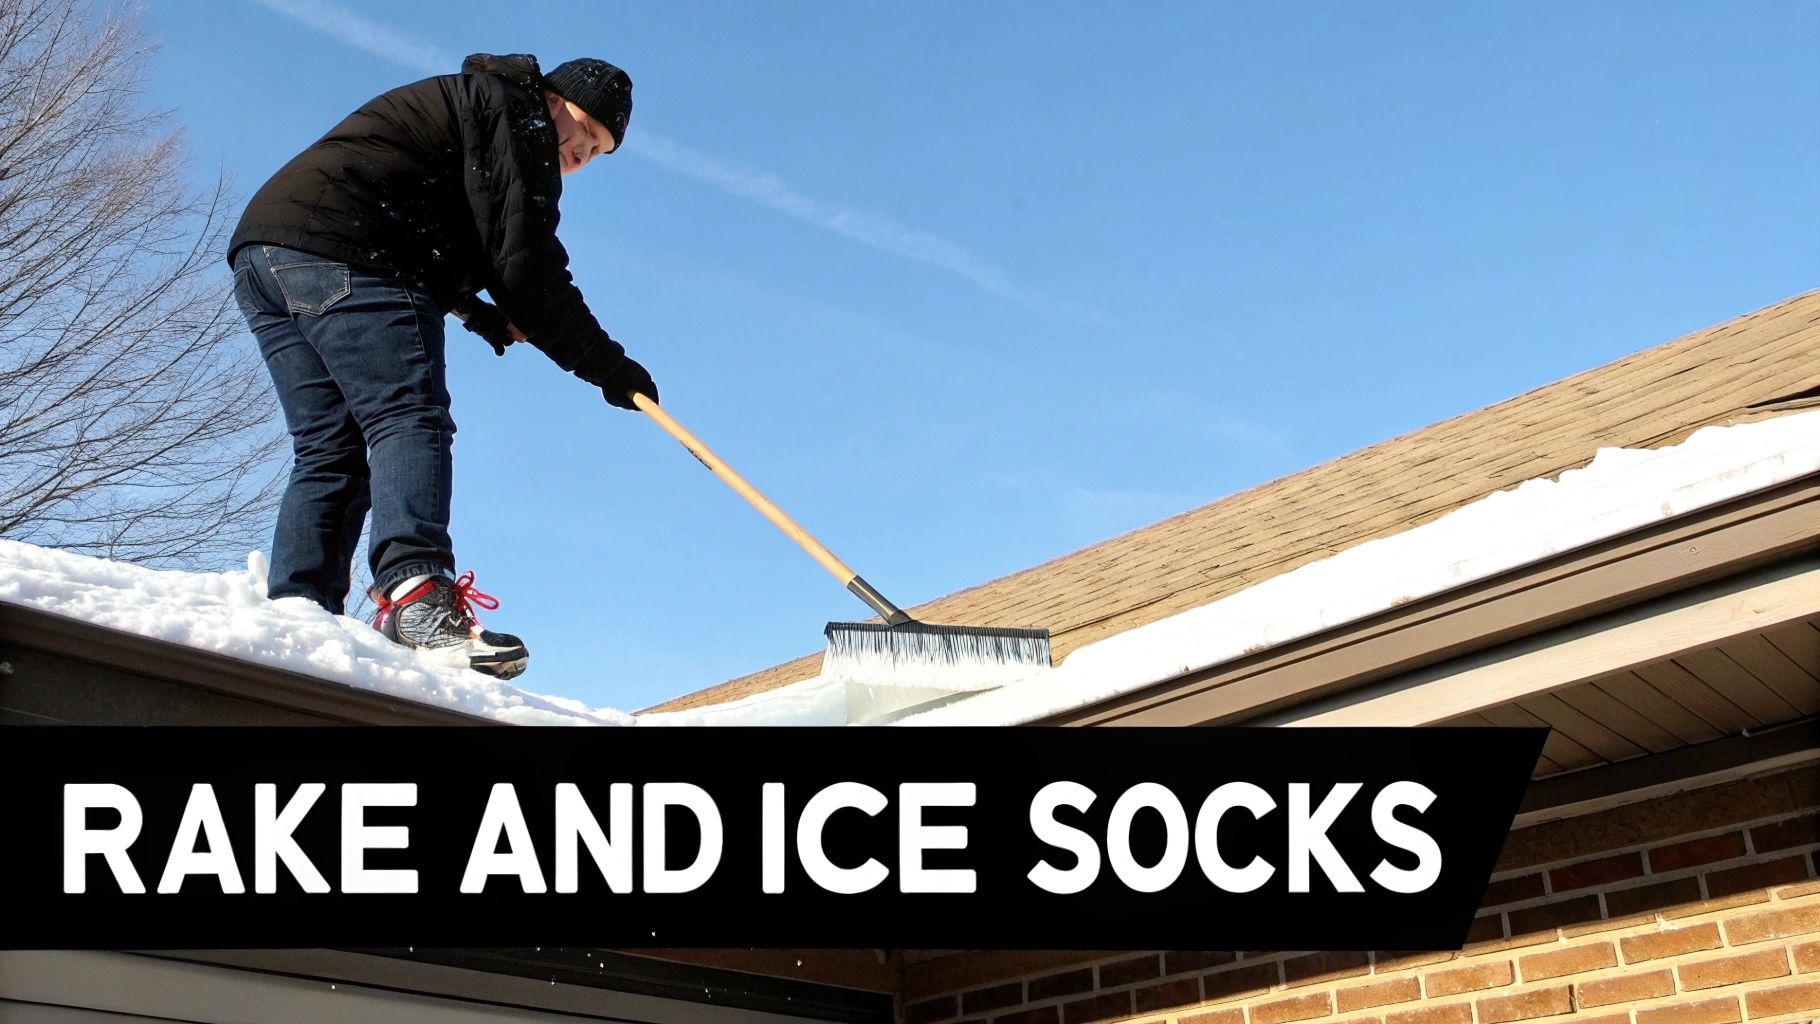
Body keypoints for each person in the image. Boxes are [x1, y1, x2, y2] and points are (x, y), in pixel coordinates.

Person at [227, 53, 653, 680]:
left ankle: (299, 608)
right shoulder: (520, 117)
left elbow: (445, 229)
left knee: (331, 446)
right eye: (583, 133)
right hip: (353, 245)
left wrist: (476, 313)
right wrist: (610, 370)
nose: (579, 155)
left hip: (271, 251)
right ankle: (418, 595)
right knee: (408, 416)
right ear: (554, 99)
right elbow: (526, 266)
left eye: (595, 153)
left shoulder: (480, 108)